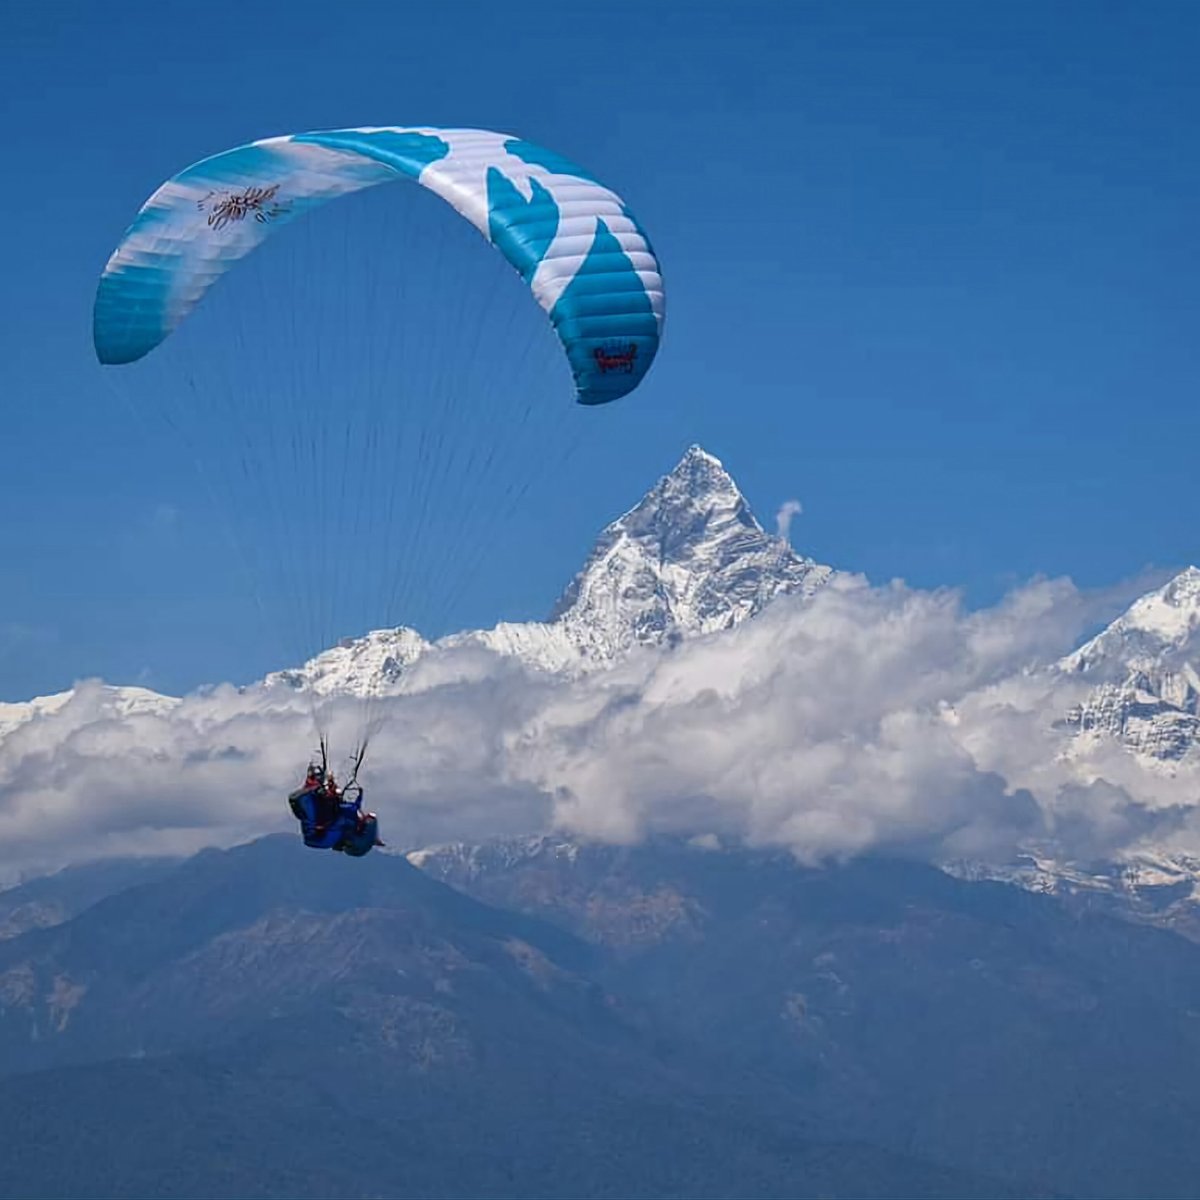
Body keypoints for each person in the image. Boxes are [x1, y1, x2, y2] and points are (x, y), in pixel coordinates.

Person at [287, 763, 383, 856]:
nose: (363, 816)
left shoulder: (348, 824)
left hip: (321, 831)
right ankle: (313, 791)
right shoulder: (349, 825)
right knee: (316, 808)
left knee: (318, 810)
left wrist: (333, 796)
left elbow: (342, 813)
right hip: (319, 831)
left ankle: (312, 792)